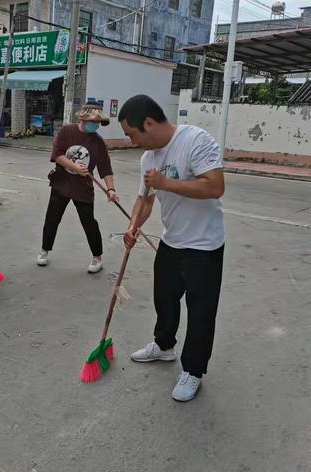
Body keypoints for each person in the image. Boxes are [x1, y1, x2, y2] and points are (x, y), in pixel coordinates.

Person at [119, 95, 225, 402]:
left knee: (201, 311)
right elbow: (146, 198)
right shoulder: (148, 158)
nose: (131, 141)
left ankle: (193, 370)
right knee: (164, 298)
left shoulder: (195, 140)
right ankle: (164, 346)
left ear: (149, 123)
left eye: (131, 134)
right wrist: (133, 225)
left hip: (204, 245)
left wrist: (167, 183)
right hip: (172, 241)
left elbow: (215, 186)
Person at [36, 101, 117, 273]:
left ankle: (97, 258)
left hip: (83, 187)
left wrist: (111, 189)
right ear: (83, 118)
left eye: (98, 123)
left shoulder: (98, 142)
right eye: (92, 122)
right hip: (62, 182)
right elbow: (57, 154)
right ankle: (44, 250)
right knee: (52, 218)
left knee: (89, 222)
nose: (95, 125)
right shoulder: (67, 131)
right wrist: (74, 167)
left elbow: (105, 168)